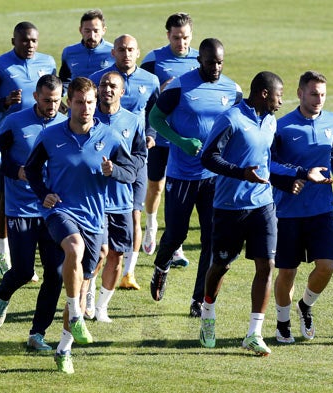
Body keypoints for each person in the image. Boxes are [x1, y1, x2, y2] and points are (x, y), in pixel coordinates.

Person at [195, 71, 331, 356]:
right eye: (279, 96)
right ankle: (208, 311)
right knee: (221, 266)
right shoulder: (231, 119)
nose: (282, 102)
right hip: (229, 207)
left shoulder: (270, 122)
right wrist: (240, 173)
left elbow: (267, 166)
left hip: (263, 205)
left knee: (266, 266)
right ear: (264, 94)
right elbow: (207, 156)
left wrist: (302, 174)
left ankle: (254, 333)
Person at [24, 77, 140, 373]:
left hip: (94, 218)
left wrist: (114, 170)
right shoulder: (51, 136)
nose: (86, 108)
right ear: (69, 103)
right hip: (60, 212)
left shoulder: (111, 136)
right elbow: (32, 170)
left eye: (90, 102)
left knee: (81, 278)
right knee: (72, 248)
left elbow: (132, 171)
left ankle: (64, 348)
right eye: (79, 102)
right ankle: (76, 313)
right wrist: (43, 193)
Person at [147, 39, 241, 321]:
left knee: (211, 239)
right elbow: (155, 117)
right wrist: (180, 141)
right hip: (182, 174)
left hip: (214, 176)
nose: (216, 67)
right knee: (176, 234)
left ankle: (198, 299)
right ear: (199, 60)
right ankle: (162, 266)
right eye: (210, 62)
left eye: (220, 62)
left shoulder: (233, 90)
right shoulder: (178, 86)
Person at [0, 74, 67, 351]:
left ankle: (38, 334)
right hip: (20, 206)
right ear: (36, 97)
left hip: (52, 210)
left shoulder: (64, 123)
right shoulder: (15, 121)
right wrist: (17, 171)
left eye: (56, 101)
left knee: (55, 274)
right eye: (47, 100)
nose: (52, 106)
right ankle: (2, 294)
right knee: (22, 270)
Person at [272, 71, 333, 344]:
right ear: (300, 93)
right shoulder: (282, 127)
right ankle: (282, 322)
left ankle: (305, 305)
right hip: (288, 212)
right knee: (287, 272)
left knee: (327, 265)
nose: (319, 99)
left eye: (323, 94)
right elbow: (270, 163)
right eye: (314, 93)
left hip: (322, 208)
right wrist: (299, 175)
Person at [0, 21, 56, 277]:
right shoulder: (0, 65)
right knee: (8, 197)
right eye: (24, 40)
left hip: (45, 135)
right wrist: (5, 102)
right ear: (14, 41)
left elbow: (56, 92)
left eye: (33, 40)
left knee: (44, 191)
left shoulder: (48, 62)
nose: (29, 45)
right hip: (15, 138)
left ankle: (36, 252)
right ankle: (3, 251)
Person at [89, 34, 159, 291]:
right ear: (113, 52)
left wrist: (150, 135)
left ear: (138, 52)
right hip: (106, 157)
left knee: (134, 213)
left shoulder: (150, 81)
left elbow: (155, 112)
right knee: (104, 212)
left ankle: (129, 272)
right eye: (121, 49)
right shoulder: (102, 79)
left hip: (136, 158)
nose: (126, 53)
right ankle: (93, 270)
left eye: (130, 49)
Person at [141, 12, 199, 267]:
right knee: (156, 186)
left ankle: (177, 246)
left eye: (185, 37)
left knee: (180, 195)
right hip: (160, 137)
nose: (181, 43)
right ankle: (151, 225)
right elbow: (140, 94)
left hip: (185, 140)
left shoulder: (200, 59)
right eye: (176, 38)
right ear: (168, 36)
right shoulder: (154, 60)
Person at [90, 71, 147, 322]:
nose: (107, 89)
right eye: (103, 85)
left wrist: (120, 172)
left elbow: (140, 156)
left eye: (113, 86)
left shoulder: (133, 121)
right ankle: (87, 298)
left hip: (121, 200)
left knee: (116, 253)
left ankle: (103, 306)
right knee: (99, 253)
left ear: (122, 92)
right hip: (93, 199)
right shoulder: (87, 117)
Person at [59, 9, 114, 89]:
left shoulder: (113, 52)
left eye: (96, 31)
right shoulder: (68, 52)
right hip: (79, 101)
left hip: (104, 101)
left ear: (104, 30)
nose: (92, 36)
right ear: (80, 30)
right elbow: (65, 80)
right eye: (87, 31)